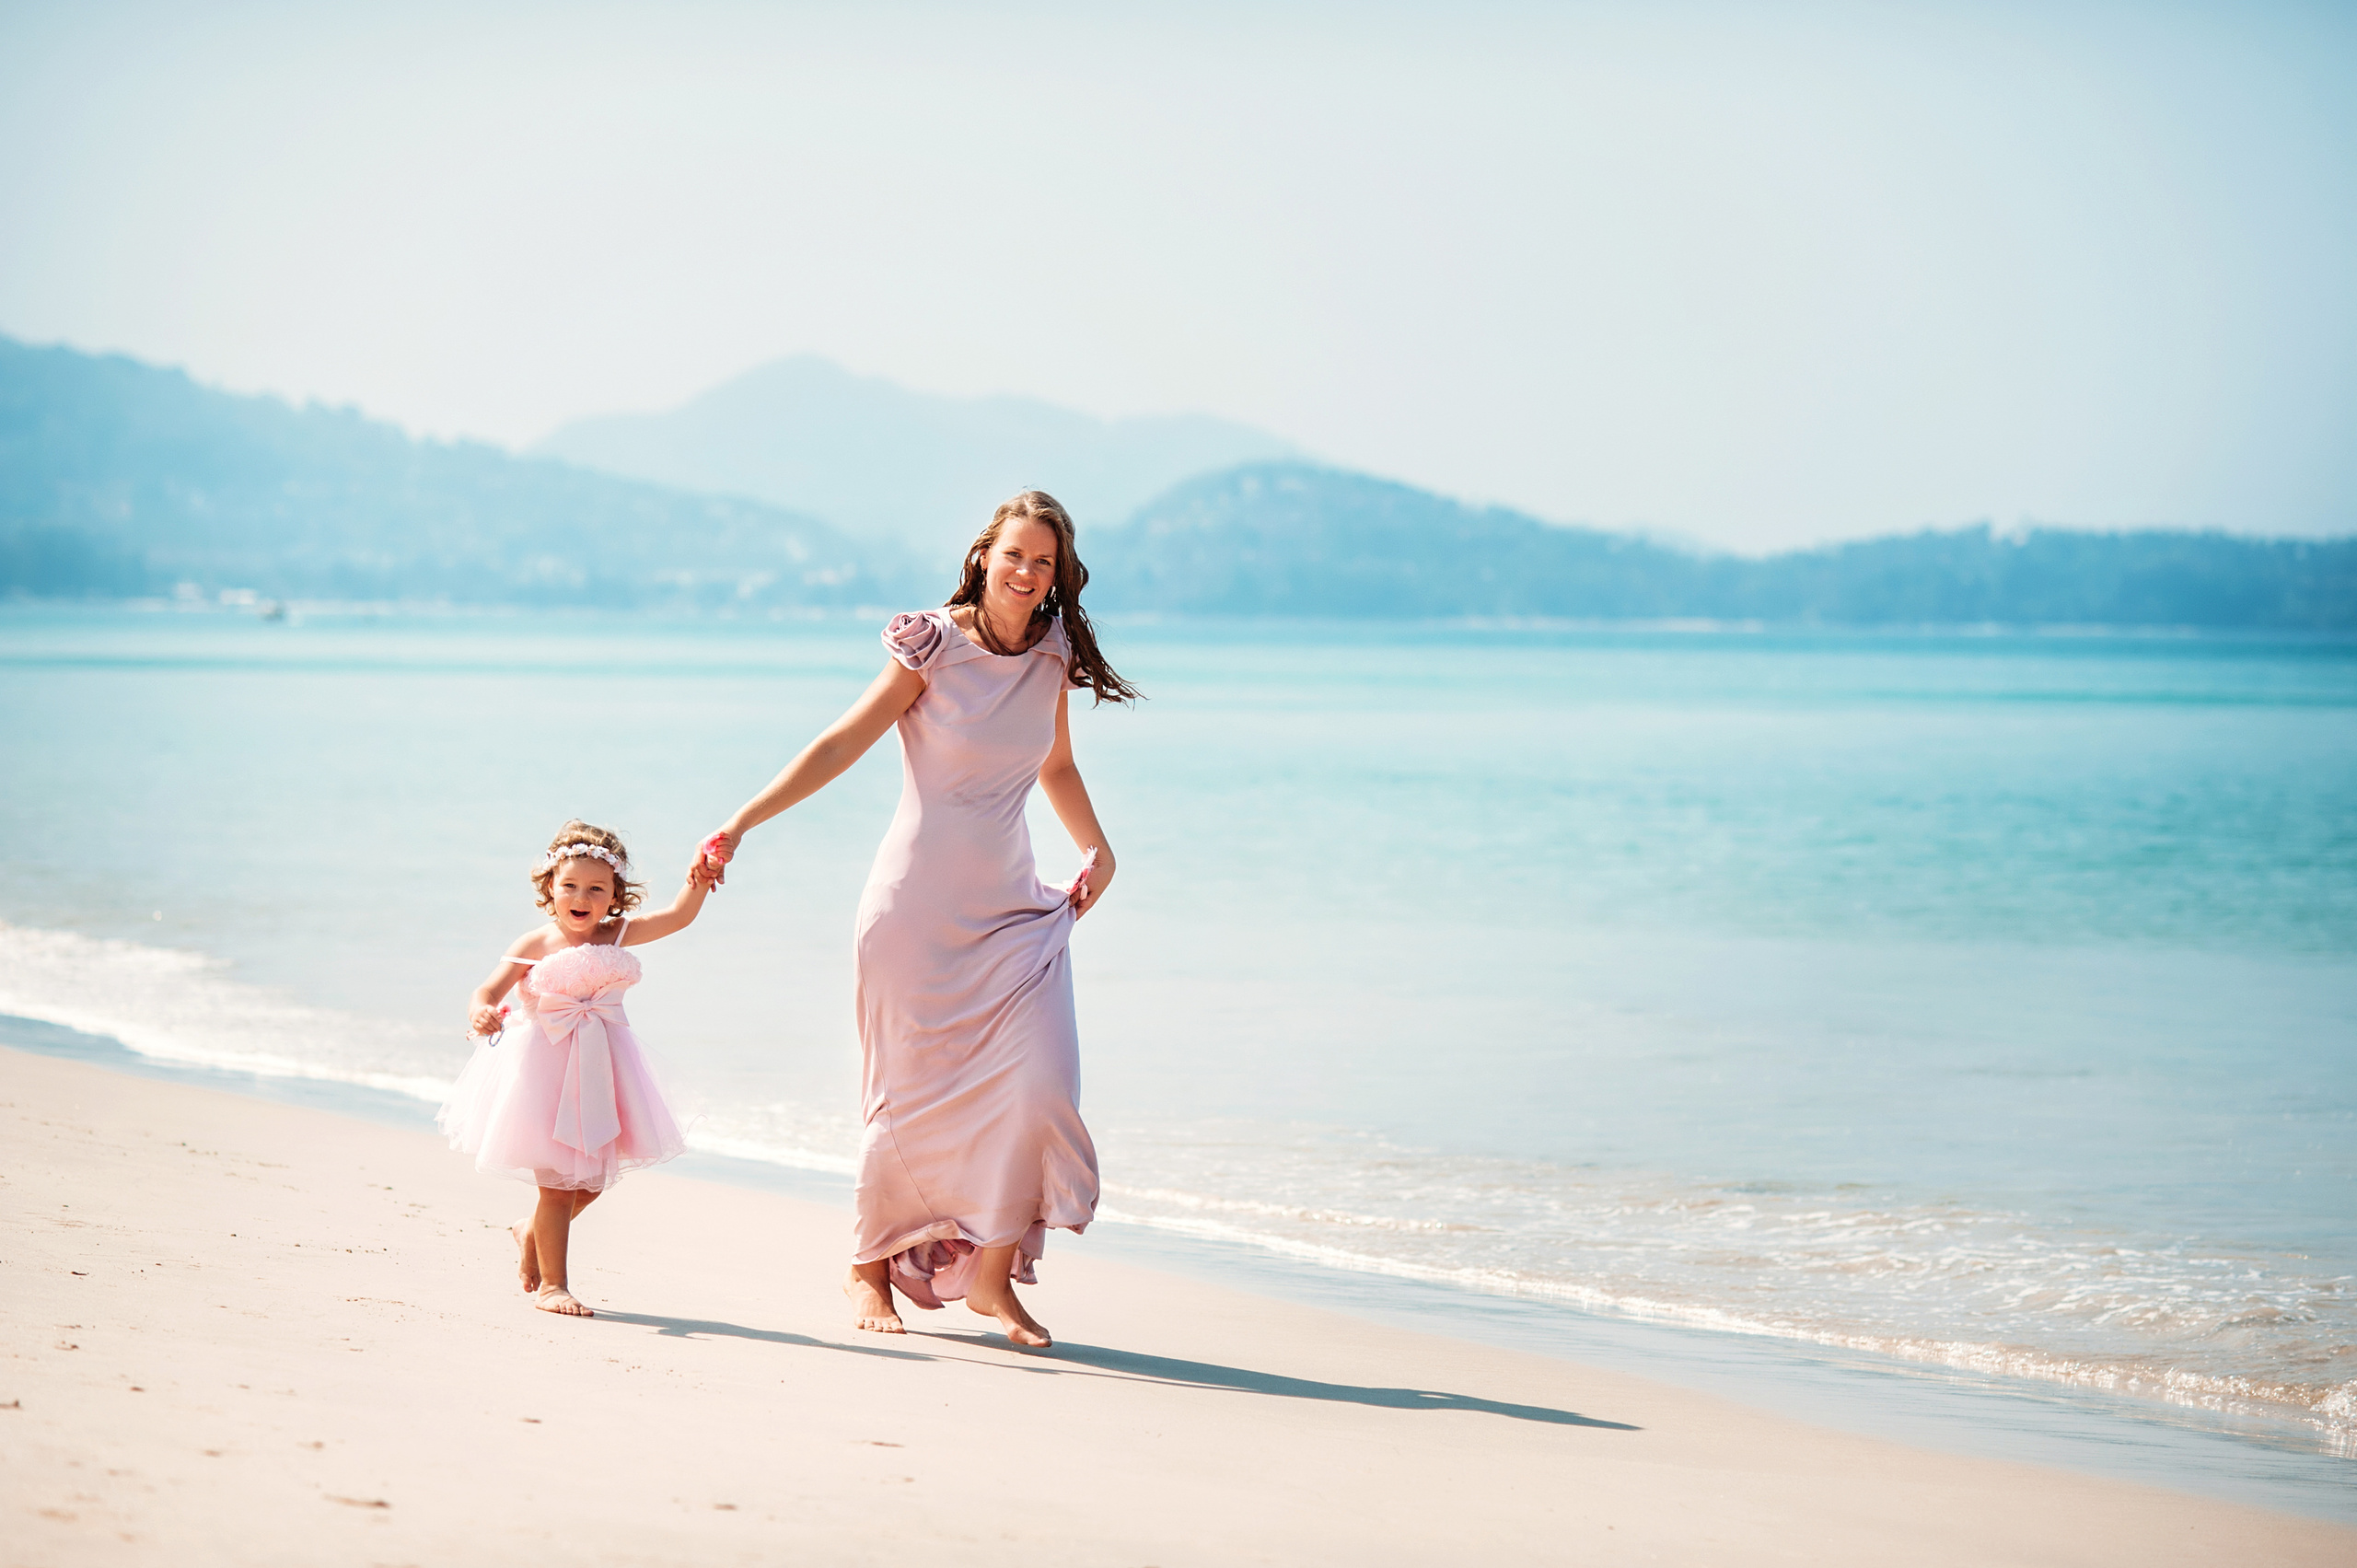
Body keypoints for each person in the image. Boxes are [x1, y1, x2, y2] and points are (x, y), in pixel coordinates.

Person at [703, 490, 1139, 1348]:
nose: (1026, 571)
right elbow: (839, 742)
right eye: (1014, 554)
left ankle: (992, 1279)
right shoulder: (932, 645)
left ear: (1059, 575)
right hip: (914, 912)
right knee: (904, 1096)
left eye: (1043, 561)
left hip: (1013, 914)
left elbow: (1055, 765)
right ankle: (868, 1268)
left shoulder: (1050, 652)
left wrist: (1099, 848)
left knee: (1042, 1086)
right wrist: (741, 822)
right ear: (983, 555)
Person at [438, 820, 713, 1317]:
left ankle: (532, 1230)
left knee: (591, 1183)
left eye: (596, 888)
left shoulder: (618, 934)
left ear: (615, 895)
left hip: (601, 1069)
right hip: (542, 1072)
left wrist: (701, 874)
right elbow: (487, 990)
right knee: (557, 1187)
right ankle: (553, 1286)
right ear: (549, 886)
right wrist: (481, 1012)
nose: (581, 897)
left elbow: (679, 916)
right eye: (569, 885)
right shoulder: (535, 943)